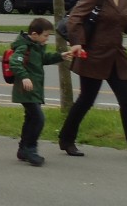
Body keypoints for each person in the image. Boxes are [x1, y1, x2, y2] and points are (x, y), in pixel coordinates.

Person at [56, 0, 127, 157]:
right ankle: (66, 139)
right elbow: (75, 19)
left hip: (117, 57)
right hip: (93, 56)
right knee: (86, 100)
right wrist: (77, 42)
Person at [8, 17, 78, 166]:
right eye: (45, 35)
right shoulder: (24, 47)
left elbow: (42, 58)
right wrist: (24, 77)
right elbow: (15, 62)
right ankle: (30, 148)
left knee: (31, 119)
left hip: (34, 89)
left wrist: (60, 56)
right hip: (26, 90)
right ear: (34, 34)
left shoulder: (35, 46)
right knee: (38, 119)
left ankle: (23, 148)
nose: (47, 39)